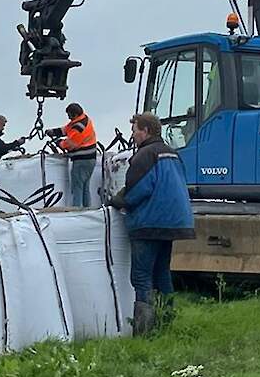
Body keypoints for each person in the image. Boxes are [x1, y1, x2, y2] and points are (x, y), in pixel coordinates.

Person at [109, 113, 195, 335]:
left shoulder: (144, 155)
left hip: (149, 223)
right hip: (173, 221)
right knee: (162, 274)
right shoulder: (173, 154)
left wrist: (118, 201)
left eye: (135, 130)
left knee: (141, 276)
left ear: (145, 130)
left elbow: (137, 190)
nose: (133, 135)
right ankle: (166, 323)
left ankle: (144, 332)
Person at [45, 103, 97, 208]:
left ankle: (77, 210)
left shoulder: (78, 127)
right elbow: (67, 129)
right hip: (90, 159)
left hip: (82, 160)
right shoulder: (84, 119)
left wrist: (58, 142)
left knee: (77, 187)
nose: (68, 117)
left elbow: (69, 145)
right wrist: (54, 132)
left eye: (69, 115)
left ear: (75, 114)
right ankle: (87, 209)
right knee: (85, 187)